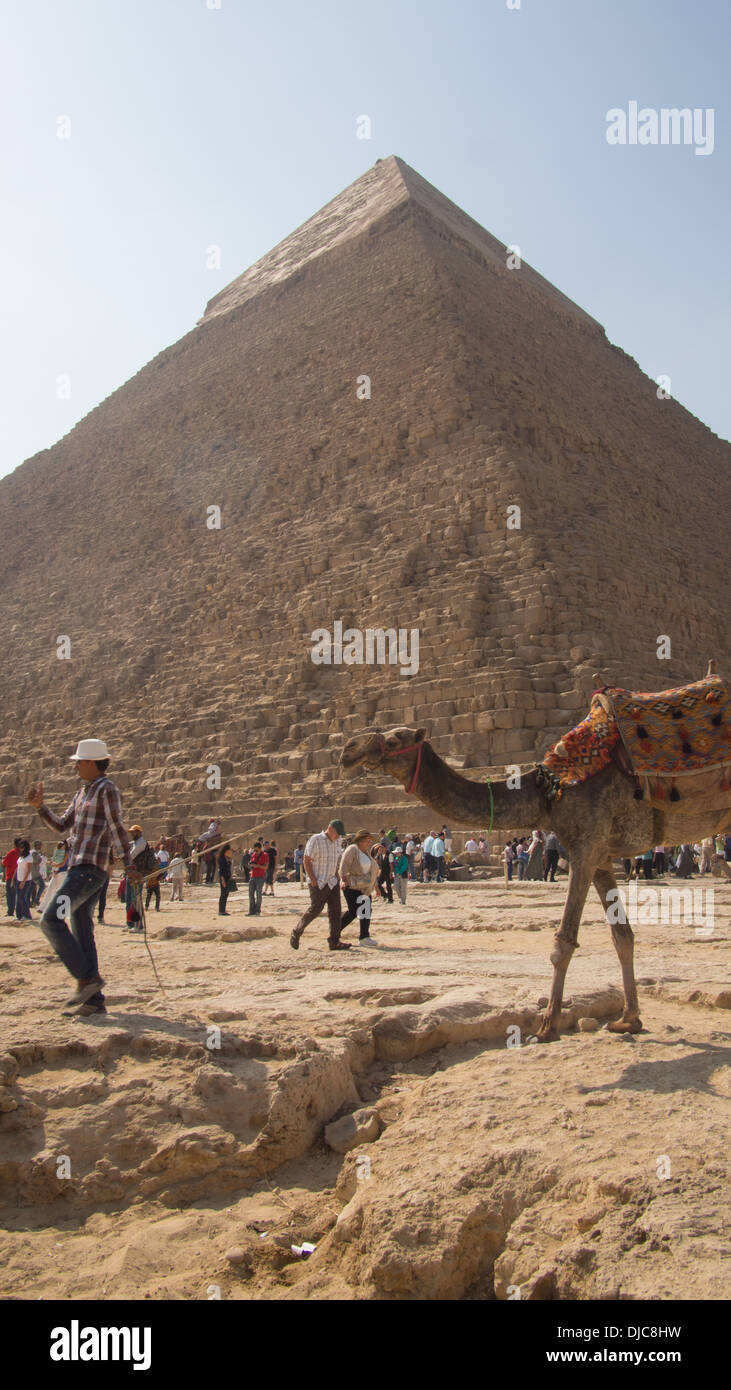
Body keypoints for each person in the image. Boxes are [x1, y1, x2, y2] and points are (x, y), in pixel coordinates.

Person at [26, 737, 138, 1017]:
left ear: (91, 762)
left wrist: (129, 864)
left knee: (51, 919)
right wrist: (40, 807)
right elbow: (63, 826)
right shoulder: (83, 792)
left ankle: (87, 979)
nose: (75, 767)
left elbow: (116, 828)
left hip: (89, 871)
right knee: (81, 927)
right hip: (78, 868)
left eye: (78, 763)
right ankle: (94, 1001)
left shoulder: (107, 789)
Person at [290, 819, 348, 951]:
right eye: (337, 833)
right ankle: (296, 932)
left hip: (332, 881)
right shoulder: (315, 839)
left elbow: (336, 860)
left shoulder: (337, 841)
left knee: (335, 911)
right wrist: (312, 879)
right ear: (330, 829)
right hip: (319, 882)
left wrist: (337, 875)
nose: (338, 836)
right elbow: (307, 859)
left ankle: (334, 941)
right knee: (315, 909)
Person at [339, 830, 379, 945]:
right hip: (351, 886)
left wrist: (376, 886)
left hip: (365, 888)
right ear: (360, 840)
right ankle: (335, 930)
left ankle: (364, 937)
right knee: (354, 911)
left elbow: (371, 871)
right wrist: (343, 879)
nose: (369, 842)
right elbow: (344, 865)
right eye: (367, 840)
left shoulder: (366, 853)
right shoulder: (352, 850)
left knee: (366, 911)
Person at [247, 841, 268, 916]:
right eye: (254, 850)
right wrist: (251, 865)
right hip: (253, 876)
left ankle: (257, 911)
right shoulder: (253, 855)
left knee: (259, 894)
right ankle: (251, 911)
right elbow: (251, 864)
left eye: (256, 850)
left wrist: (257, 866)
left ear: (260, 849)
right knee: (250, 894)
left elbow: (265, 867)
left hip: (260, 877)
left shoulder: (265, 855)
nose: (255, 852)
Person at [14, 839, 34, 921]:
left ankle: (27, 916)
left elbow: (28, 870)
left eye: (22, 847)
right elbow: (18, 867)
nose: (20, 849)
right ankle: (19, 916)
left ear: (26, 847)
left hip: (25, 881)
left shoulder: (29, 857)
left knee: (22, 898)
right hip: (19, 879)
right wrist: (13, 878)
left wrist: (23, 881)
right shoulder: (21, 856)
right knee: (18, 898)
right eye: (19, 847)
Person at [3, 837, 22, 918]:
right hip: (20, 876)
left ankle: (10, 911)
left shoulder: (12, 852)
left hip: (11, 876)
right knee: (17, 894)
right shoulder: (23, 853)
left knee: (10, 894)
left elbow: (4, 863)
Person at [30, 841, 46, 907]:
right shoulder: (34, 853)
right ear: (36, 845)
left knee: (32, 888)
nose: (40, 847)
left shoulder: (31, 852)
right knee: (42, 886)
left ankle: (32, 902)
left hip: (31, 873)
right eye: (39, 845)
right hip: (35, 873)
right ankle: (36, 900)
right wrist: (40, 859)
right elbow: (36, 862)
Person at [218, 844, 233, 915]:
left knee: (226, 894)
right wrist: (223, 880)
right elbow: (221, 871)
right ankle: (221, 911)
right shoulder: (221, 859)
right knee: (223, 894)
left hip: (227, 878)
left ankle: (223, 909)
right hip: (223, 878)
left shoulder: (227, 858)